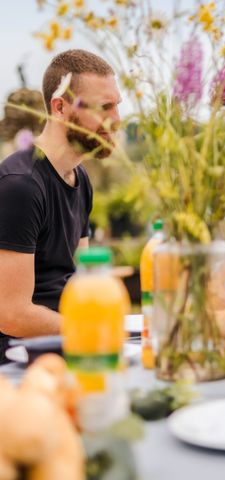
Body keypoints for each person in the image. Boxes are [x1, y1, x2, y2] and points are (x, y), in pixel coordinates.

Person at [0, 49, 121, 358]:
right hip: (21, 366)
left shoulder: (81, 180)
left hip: (67, 348)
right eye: (104, 107)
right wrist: (89, 330)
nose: (116, 120)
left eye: (117, 106)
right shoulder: (20, 185)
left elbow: (78, 280)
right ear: (60, 107)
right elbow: (11, 314)